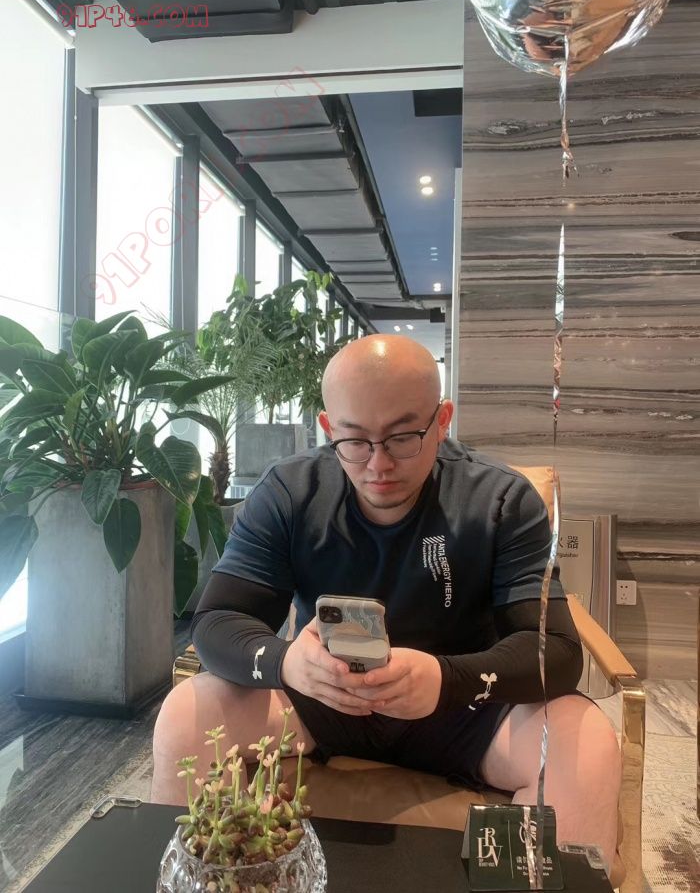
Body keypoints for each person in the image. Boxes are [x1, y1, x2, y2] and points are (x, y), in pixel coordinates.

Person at [152, 334, 621, 873]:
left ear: (441, 421)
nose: (378, 464)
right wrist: (287, 663)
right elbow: (216, 620)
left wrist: (446, 679)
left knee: (585, 742)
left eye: (402, 437)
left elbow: (556, 650)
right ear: (328, 428)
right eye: (354, 440)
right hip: (323, 699)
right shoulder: (290, 492)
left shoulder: (499, 500)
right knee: (186, 715)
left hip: (461, 708)